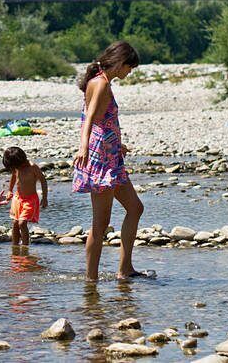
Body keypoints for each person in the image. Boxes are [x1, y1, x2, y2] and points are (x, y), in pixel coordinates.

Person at [73, 41, 148, 282]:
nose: (130, 73)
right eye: (130, 68)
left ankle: (125, 268)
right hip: (101, 159)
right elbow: (90, 119)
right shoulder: (102, 83)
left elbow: (102, 122)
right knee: (100, 223)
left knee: (135, 208)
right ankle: (91, 281)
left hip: (110, 154)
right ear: (119, 62)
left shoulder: (100, 80)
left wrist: (117, 143)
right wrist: (84, 146)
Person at [0, 147, 47, 247]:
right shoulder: (17, 167)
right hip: (17, 198)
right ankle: (15, 247)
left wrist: (45, 198)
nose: (16, 169)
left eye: (16, 167)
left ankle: (25, 248)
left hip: (30, 200)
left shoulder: (32, 167)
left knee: (22, 223)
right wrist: (10, 190)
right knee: (15, 222)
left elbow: (43, 181)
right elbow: (14, 176)